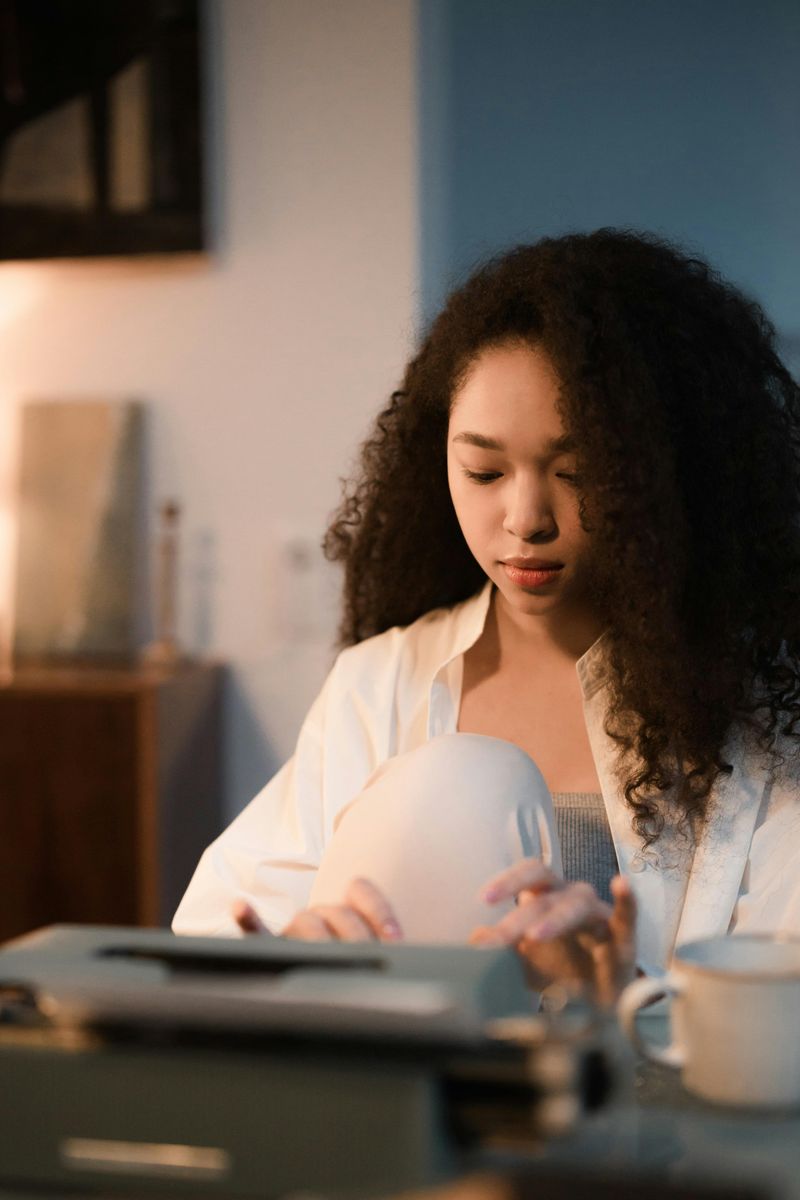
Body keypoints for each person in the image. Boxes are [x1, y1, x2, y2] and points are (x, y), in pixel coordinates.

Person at [174, 229, 800, 1004]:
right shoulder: (383, 684)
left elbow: (784, 1010)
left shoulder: (761, 705)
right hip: (408, 1112)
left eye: (579, 474)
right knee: (457, 782)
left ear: (664, 477)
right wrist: (285, 960)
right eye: (483, 470)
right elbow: (211, 938)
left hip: (652, 1119)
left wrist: (626, 1003)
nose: (525, 519)